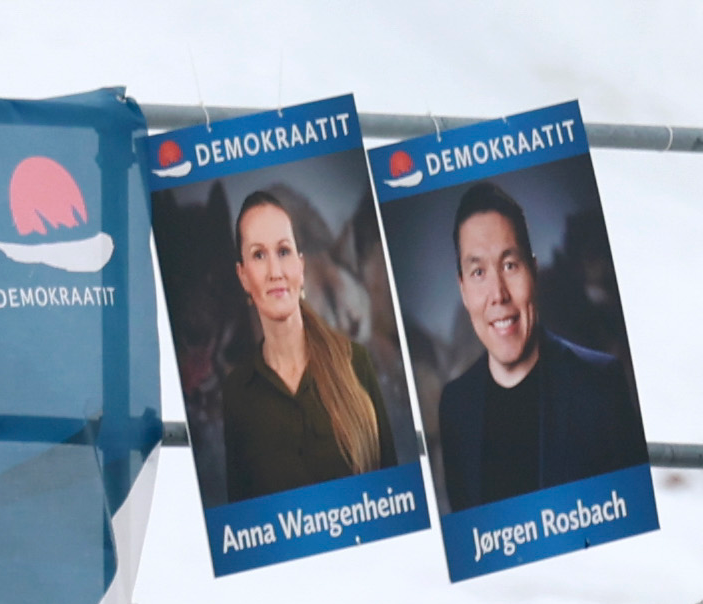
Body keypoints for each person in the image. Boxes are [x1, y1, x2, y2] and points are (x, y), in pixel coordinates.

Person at [421, 184, 650, 507]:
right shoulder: (456, 406)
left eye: (510, 266)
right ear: (462, 287)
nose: (497, 294)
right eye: (478, 272)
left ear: (533, 270)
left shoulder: (601, 381)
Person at [201, 181, 409, 501]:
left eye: (283, 251)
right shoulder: (236, 392)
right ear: (242, 276)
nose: (275, 271)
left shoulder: (361, 362)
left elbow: (395, 496)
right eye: (259, 255)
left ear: (299, 263)